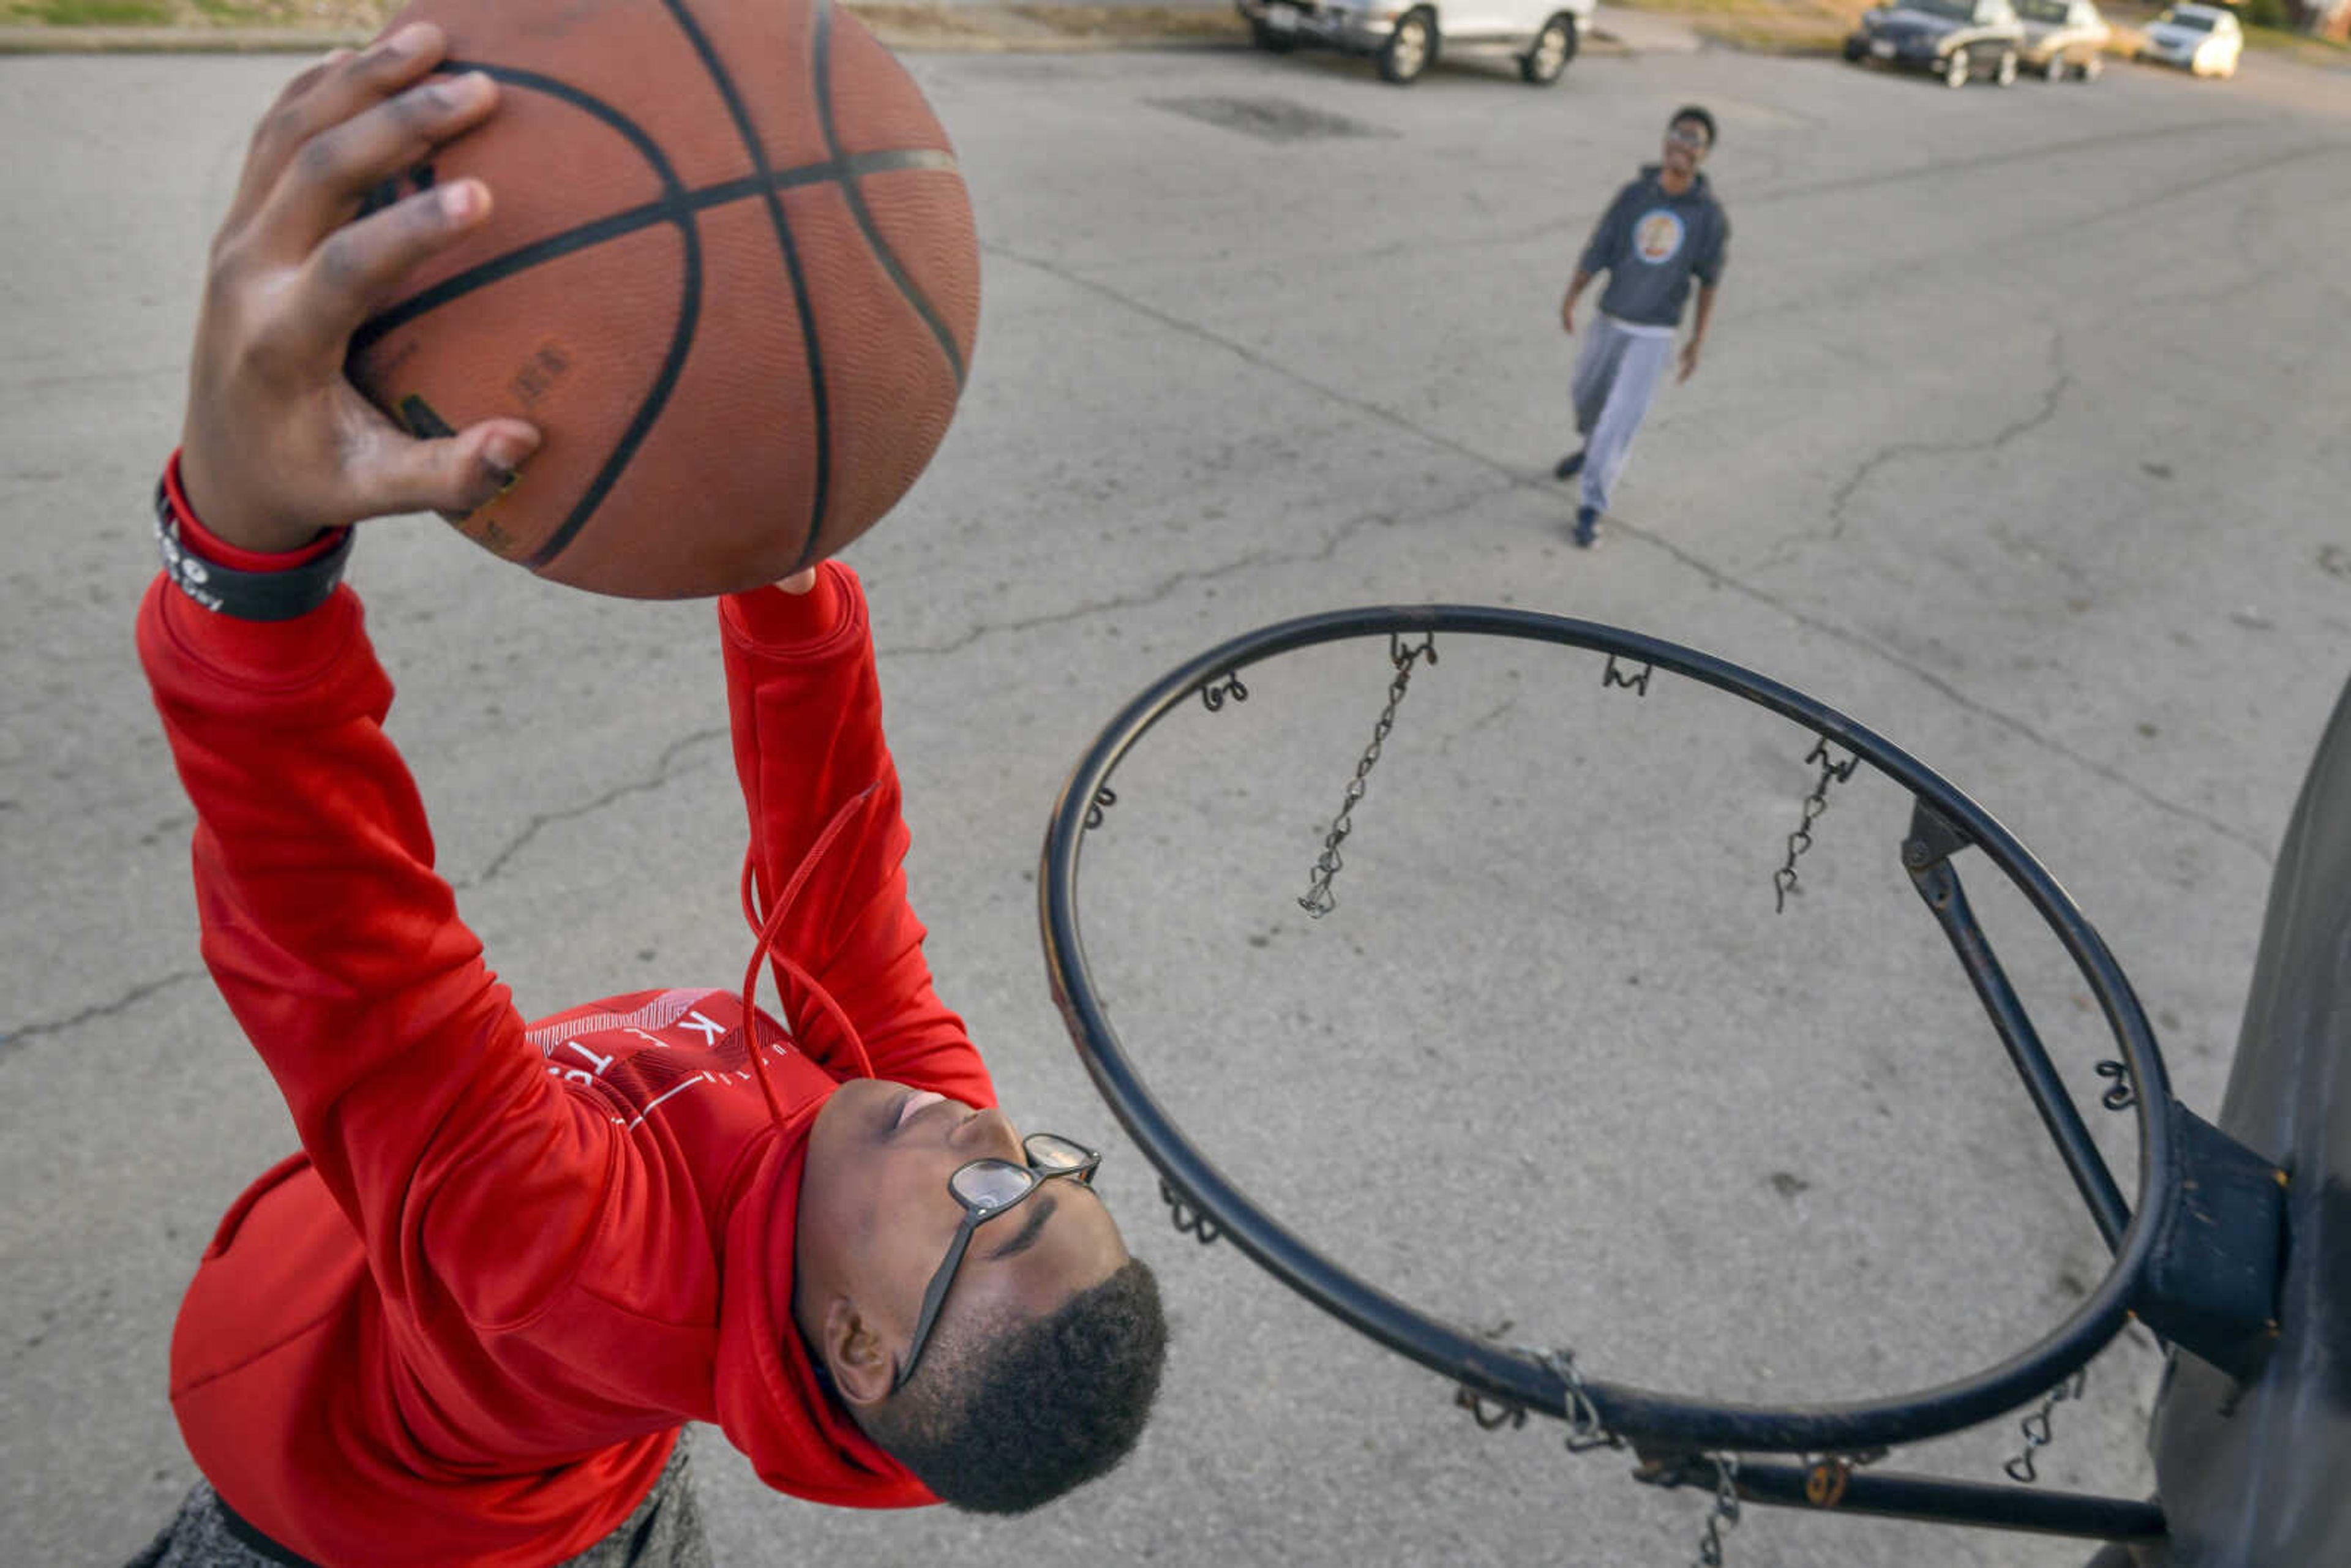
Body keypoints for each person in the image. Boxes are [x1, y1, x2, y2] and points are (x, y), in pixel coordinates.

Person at [129, 29, 1164, 1567]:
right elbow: (842, 878)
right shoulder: (895, 1130)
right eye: (1051, 1157)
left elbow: (357, 965)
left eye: (998, 1202)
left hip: (343, 1519)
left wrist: (244, 557)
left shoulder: (579, 1268)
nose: (989, 1130)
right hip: (537, 1452)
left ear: (858, 1344)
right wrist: (783, 549)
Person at [1554, 106, 1731, 548]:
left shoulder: (1708, 216)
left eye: (1695, 140)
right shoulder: (1635, 195)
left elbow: (1709, 281)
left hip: (1654, 333)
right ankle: (1589, 446)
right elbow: (1601, 246)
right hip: (1611, 317)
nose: (1683, 145)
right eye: (1679, 134)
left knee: (1620, 420)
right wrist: (1574, 294)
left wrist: (1697, 340)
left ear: (1704, 154)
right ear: (1665, 139)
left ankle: (1592, 505)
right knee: (1586, 397)